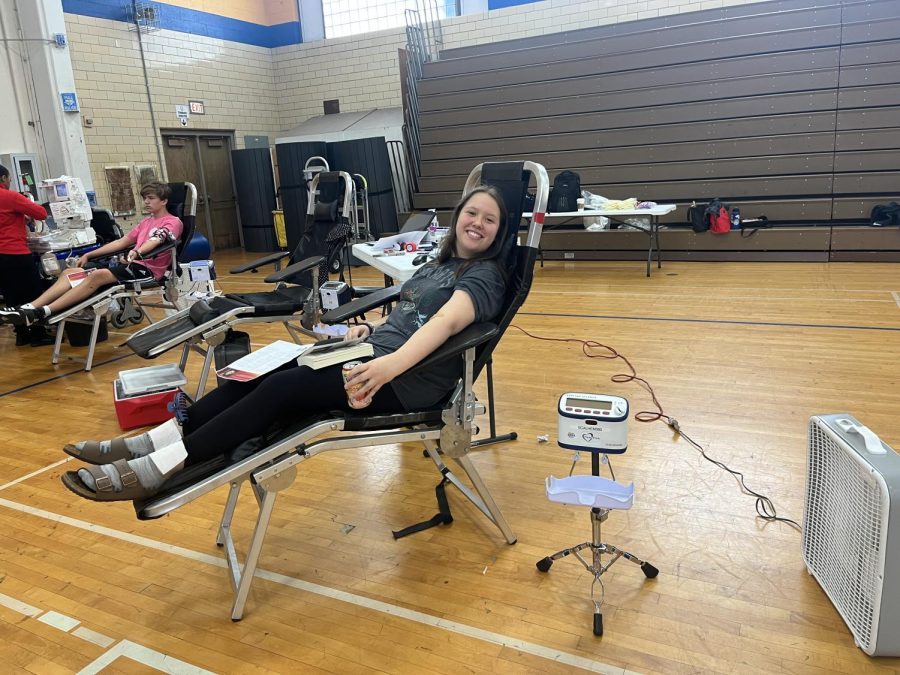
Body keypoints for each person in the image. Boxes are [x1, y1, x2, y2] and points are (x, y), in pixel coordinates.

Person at [61, 185, 510, 502]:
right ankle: (155, 440)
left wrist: (388, 365)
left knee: (284, 389)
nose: (478, 224)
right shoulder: (440, 262)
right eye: (472, 213)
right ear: (458, 217)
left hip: (400, 380)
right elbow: (415, 316)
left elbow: (447, 322)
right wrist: (372, 330)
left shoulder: (484, 275)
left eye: (490, 220)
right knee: (256, 372)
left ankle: (163, 466)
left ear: (498, 233)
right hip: (373, 354)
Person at [0, 181, 182, 327]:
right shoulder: (145, 222)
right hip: (128, 266)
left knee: (98, 275)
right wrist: (90, 255)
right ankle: (29, 307)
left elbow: (157, 239)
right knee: (70, 273)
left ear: (164, 201)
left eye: (151, 198)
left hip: (147, 271)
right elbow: (121, 242)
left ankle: (44, 311)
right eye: (145, 199)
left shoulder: (173, 222)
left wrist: (137, 251)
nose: (147, 202)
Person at [0, 164, 55, 346]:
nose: (9, 182)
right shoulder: (11, 196)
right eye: (8, 179)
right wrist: (24, 209)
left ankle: (22, 335)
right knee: (33, 293)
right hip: (16, 253)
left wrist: (18, 217)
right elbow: (41, 213)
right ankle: (38, 334)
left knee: (11, 295)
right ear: (3, 178)